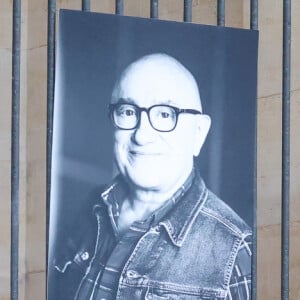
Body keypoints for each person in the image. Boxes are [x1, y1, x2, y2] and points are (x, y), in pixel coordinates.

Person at [50, 53, 252, 300]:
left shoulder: (237, 253)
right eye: (127, 111)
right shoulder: (90, 208)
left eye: (165, 114)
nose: (142, 135)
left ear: (199, 133)